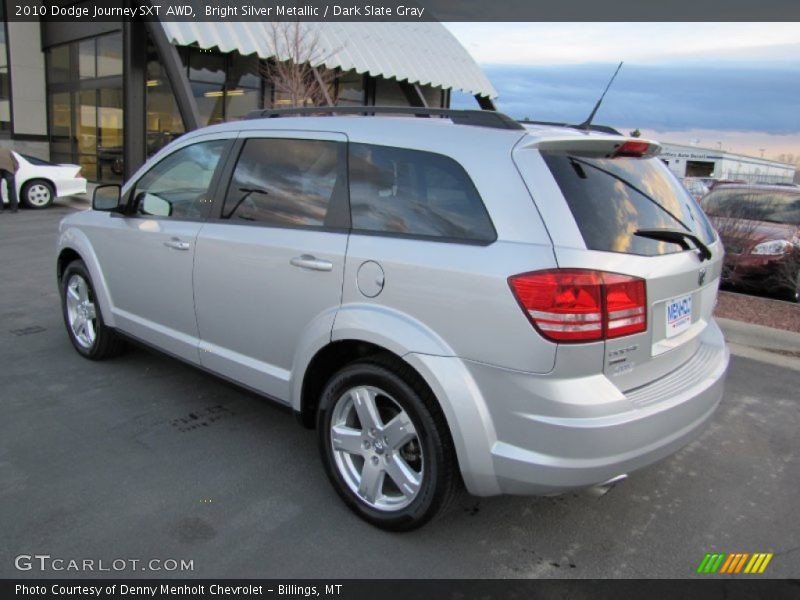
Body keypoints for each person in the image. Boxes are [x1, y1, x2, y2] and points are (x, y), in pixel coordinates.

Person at [0, 147, 19, 213]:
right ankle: (14, 208)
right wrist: (15, 170)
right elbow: (15, 161)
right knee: (11, 189)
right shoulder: (7, 150)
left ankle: (0, 209)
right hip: (9, 170)